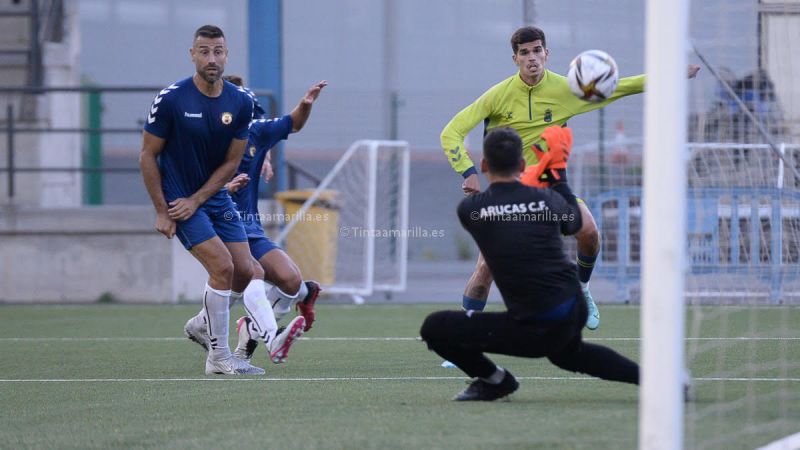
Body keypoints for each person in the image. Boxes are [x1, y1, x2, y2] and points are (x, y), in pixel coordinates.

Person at [440, 26, 701, 333]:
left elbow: (622, 86)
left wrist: (670, 74)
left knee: (589, 233)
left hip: (549, 186)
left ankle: (582, 290)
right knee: (486, 268)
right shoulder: (497, 96)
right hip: (507, 191)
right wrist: (468, 172)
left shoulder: (567, 90)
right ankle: (465, 335)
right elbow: (451, 133)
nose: (532, 58)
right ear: (515, 59)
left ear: (546, 54)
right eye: (524, 53)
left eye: (537, 50)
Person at [420, 127, 640, 401]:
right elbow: (574, 222)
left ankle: (496, 380)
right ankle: (656, 381)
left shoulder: (471, 210)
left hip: (534, 324)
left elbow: (503, 210)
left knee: (434, 328)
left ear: (485, 164)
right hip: (573, 307)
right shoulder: (548, 199)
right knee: (570, 355)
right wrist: (558, 176)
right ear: (522, 164)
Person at [139, 24, 263, 375]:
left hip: (211, 197)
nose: (212, 58)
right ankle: (219, 357)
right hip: (180, 201)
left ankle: (200, 324)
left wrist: (202, 197)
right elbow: (147, 155)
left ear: (227, 54)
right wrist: (163, 211)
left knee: (247, 270)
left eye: (218, 51)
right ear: (192, 54)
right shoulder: (172, 99)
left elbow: (231, 162)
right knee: (222, 268)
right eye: (204, 51)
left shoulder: (240, 102)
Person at [221, 75, 328, 363]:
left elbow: (292, 122)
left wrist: (305, 105)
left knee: (290, 279)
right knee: (249, 275)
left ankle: (252, 330)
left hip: (249, 228)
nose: (250, 119)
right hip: (215, 225)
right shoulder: (204, 138)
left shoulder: (255, 133)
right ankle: (268, 338)